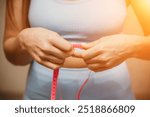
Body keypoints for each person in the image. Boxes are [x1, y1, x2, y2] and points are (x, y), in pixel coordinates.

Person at [3, 0, 150, 100]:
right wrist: (23, 39)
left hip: (113, 95)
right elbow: (12, 55)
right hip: (41, 95)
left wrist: (132, 45)